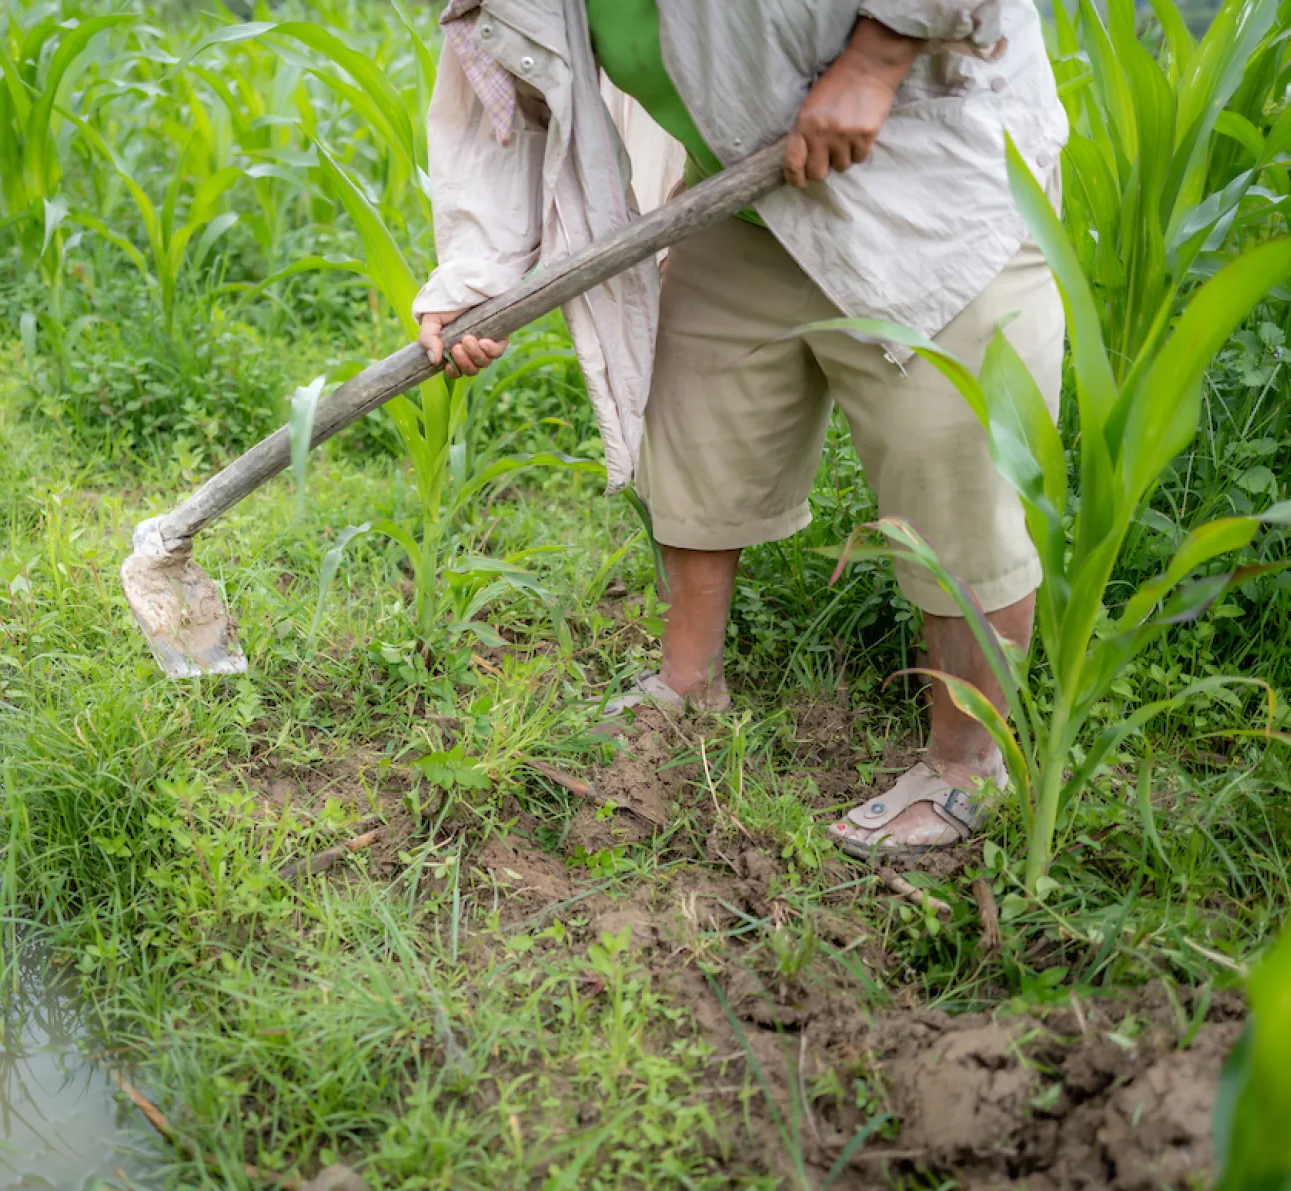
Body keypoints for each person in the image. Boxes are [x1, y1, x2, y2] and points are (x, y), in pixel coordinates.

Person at [411, 0, 1067, 858]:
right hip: (747, 197)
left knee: (953, 478)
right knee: (696, 422)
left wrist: (876, 57)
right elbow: (510, 81)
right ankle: (689, 686)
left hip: (927, 185)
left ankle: (967, 765)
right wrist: (476, 270)